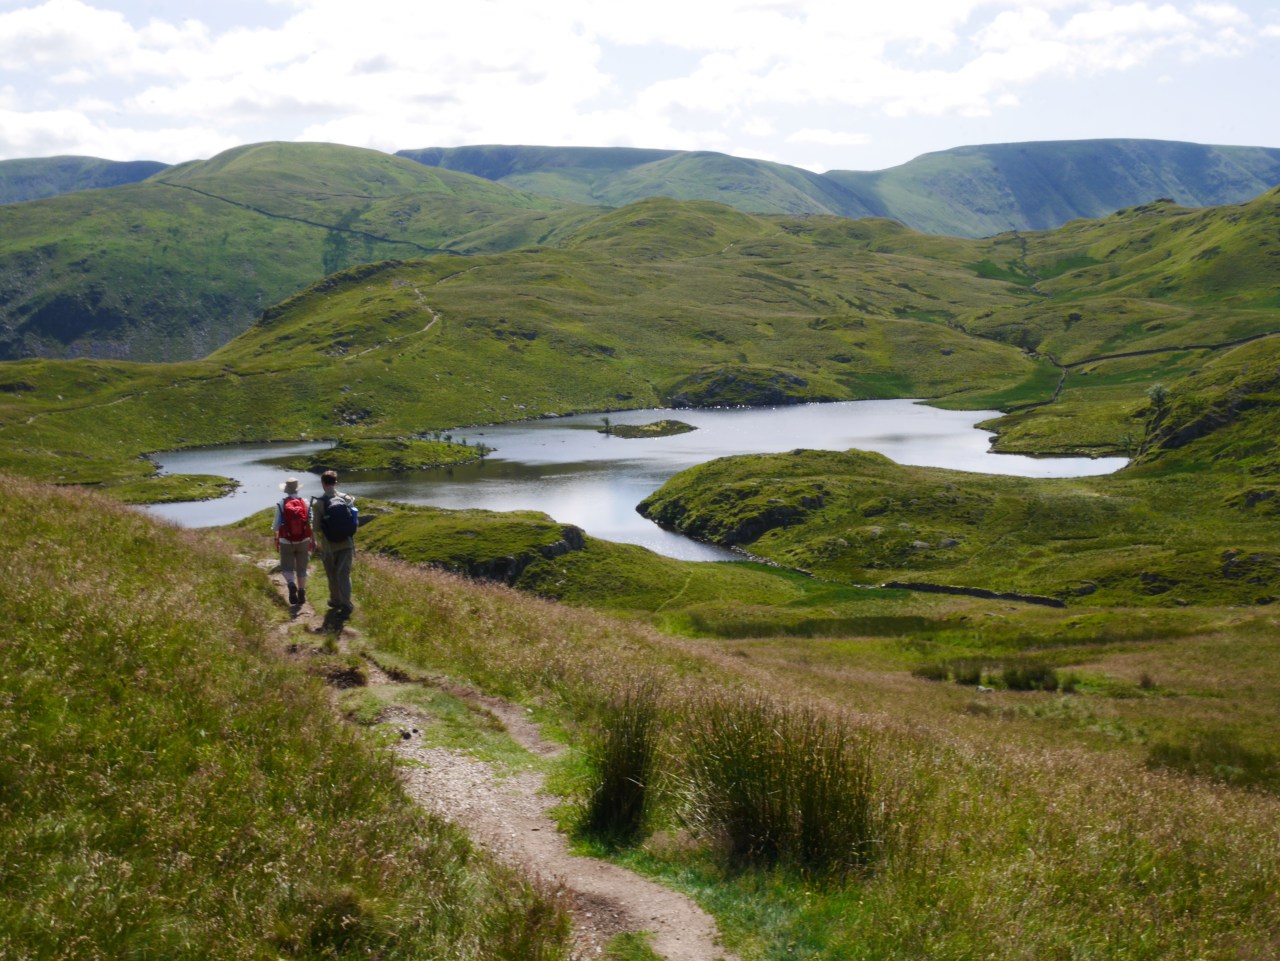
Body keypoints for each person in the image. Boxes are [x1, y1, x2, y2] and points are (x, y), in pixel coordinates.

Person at [312, 469, 358, 617]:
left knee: (332, 574)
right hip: (347, 543)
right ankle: (346, 604)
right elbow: (354, 521)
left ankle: (335, 600)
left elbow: (316, 528)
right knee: (344, 574)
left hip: (329, 546)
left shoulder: (319, 503)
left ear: (323, 484)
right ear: (336, 482)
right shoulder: (346, 499)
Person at [273, 477, 316, 606]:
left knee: (286, 568)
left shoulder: (281, 504)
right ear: (297, 489)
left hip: (286, 541)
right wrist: (313, 539)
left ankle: (291, 584)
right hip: (304, 539)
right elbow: (310, 523)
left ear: (286, 490)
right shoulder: (306, 503)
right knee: (302, 568)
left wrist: (276, 538)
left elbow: (275, 526)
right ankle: (301, 592)